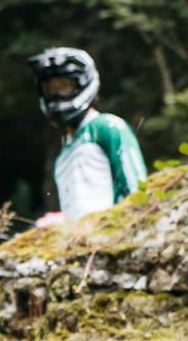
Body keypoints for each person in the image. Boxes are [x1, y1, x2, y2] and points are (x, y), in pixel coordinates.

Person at [28, 47, 148, 223]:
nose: (56, 96)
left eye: (64, 87)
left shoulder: (107, 127)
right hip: (79, 245)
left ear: (82, 84)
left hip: (113, 238)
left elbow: (137, 191)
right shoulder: (65, 152)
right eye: (50, 89)